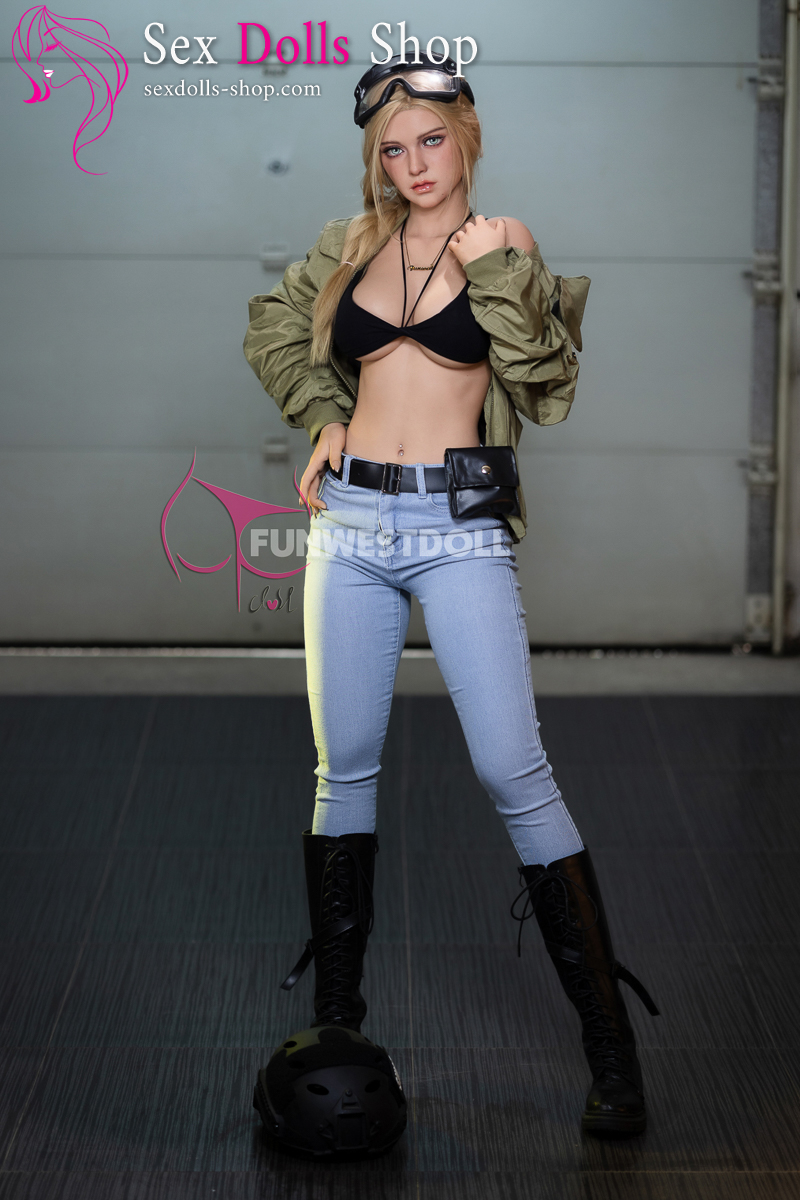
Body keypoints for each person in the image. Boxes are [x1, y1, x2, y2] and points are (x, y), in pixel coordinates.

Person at [244, 54, 659, 1141]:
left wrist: (496, 275)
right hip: (349, 525)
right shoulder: (351, 245)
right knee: (343, 771)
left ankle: (611, 1053)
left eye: (430, 140)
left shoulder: (504, 242)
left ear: (465, 135)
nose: (413, 165)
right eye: (393, 149)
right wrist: (325, 415)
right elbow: (275, 327)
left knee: (512, 771)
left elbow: (547, 389)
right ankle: (337, 1033)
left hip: (456, 529)